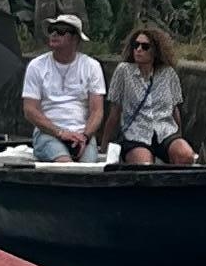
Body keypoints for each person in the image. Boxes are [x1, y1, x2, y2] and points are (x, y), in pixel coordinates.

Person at [20, 10, 104, 161]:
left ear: (74, 39)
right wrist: (60, 133)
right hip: (49, 133)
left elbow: (97, 111)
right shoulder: (37, 66)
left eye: (61, 31)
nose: (54, 34)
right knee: (64, 163)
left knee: (88, 169)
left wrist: (85, 136)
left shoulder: (91, 66)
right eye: (52, 30)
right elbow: (30, 110)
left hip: (81, 134)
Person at [109, 22, 195, 167]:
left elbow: (174, 110)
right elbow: (115, 111)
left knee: (185, 155)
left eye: (145, 46)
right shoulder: (124, 71)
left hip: (164, 130)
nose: (139, 50)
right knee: (144, 165)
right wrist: (106, 146)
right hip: (136, 133)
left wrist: (178, 137)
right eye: (136, 45)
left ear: (155, 50)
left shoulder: (168, 74)